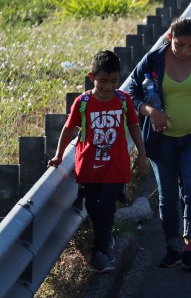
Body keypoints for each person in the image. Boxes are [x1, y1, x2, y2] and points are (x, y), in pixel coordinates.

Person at [126, 17, 191, 271]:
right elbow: (131, 93)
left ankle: (190, 249)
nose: (185, 51)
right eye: (180, 45)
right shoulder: (153, 60)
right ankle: (172, 248)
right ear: (170, 37)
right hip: (161, 141)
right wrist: (151, 111)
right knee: (168, 196)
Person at [48, 51, 146, 273]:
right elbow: (68, 128)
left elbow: (133, 126)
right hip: (89, 167)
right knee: (93, 206)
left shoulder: (123, 100)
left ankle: (99, 253)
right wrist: (58, 155)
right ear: (92, 77)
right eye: (103, 81)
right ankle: (106, 240)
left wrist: (141, 153)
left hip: (115, 166)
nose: (109, 86)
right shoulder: (82, 102)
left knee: (107, 205)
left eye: (114, 81)